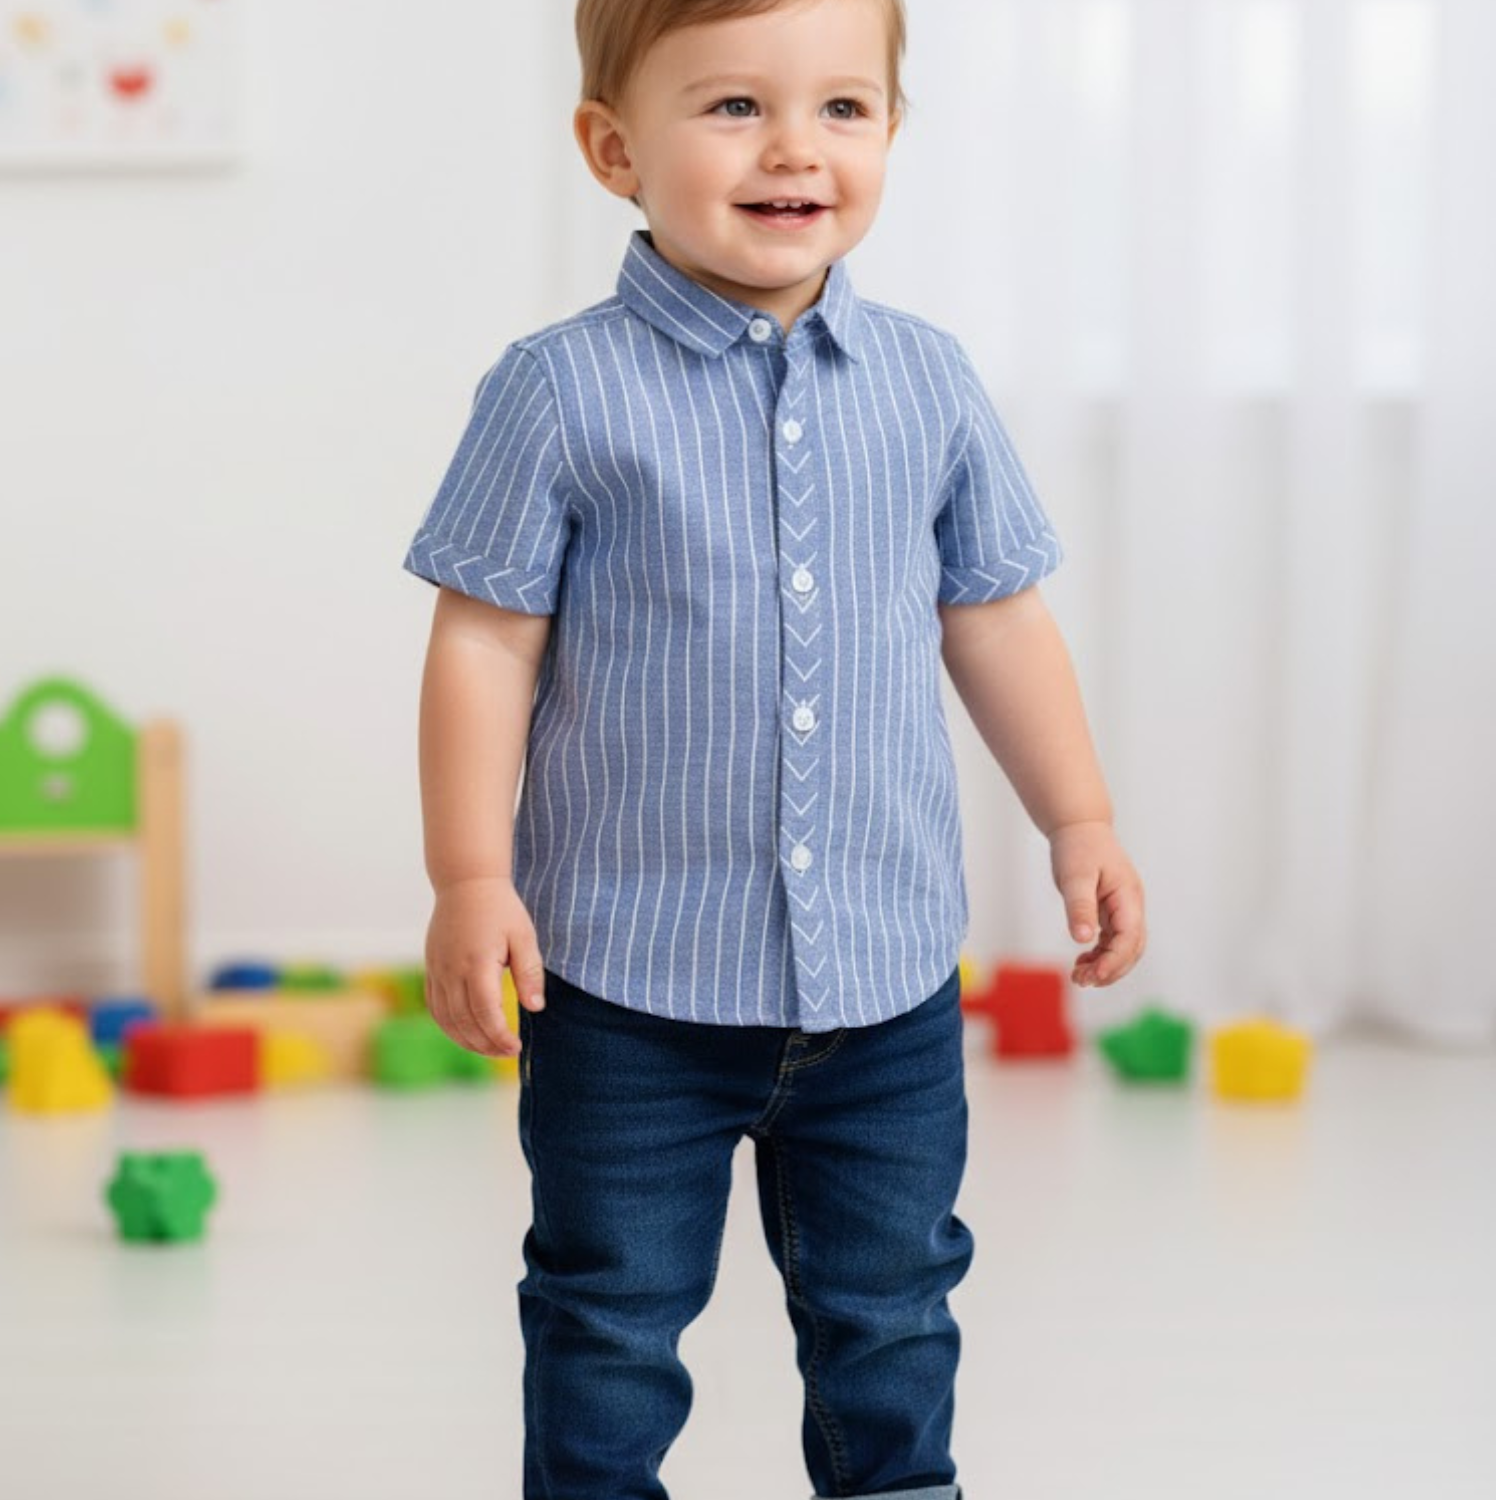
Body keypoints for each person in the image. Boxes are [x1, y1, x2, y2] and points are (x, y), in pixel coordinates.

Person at [404, 0, 1146, 1494]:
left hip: (881, 986)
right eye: (734, 106)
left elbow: (996, 617)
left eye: (844, 110)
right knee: (608, 1318)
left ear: (888, 133)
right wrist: (470, 875)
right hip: (628, 986)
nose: (794, 147)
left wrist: (1081, 820)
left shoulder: (926, 382)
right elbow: (485, 644)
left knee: (893, 1315)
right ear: (614, 149)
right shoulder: (557, 392)